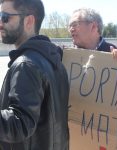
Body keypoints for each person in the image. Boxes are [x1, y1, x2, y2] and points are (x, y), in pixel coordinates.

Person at [0, 0, 69, 150]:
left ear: (29, 21)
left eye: (5, 17)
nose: (0, 23)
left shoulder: (26, 64)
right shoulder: (54, 61)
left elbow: (20, 124)